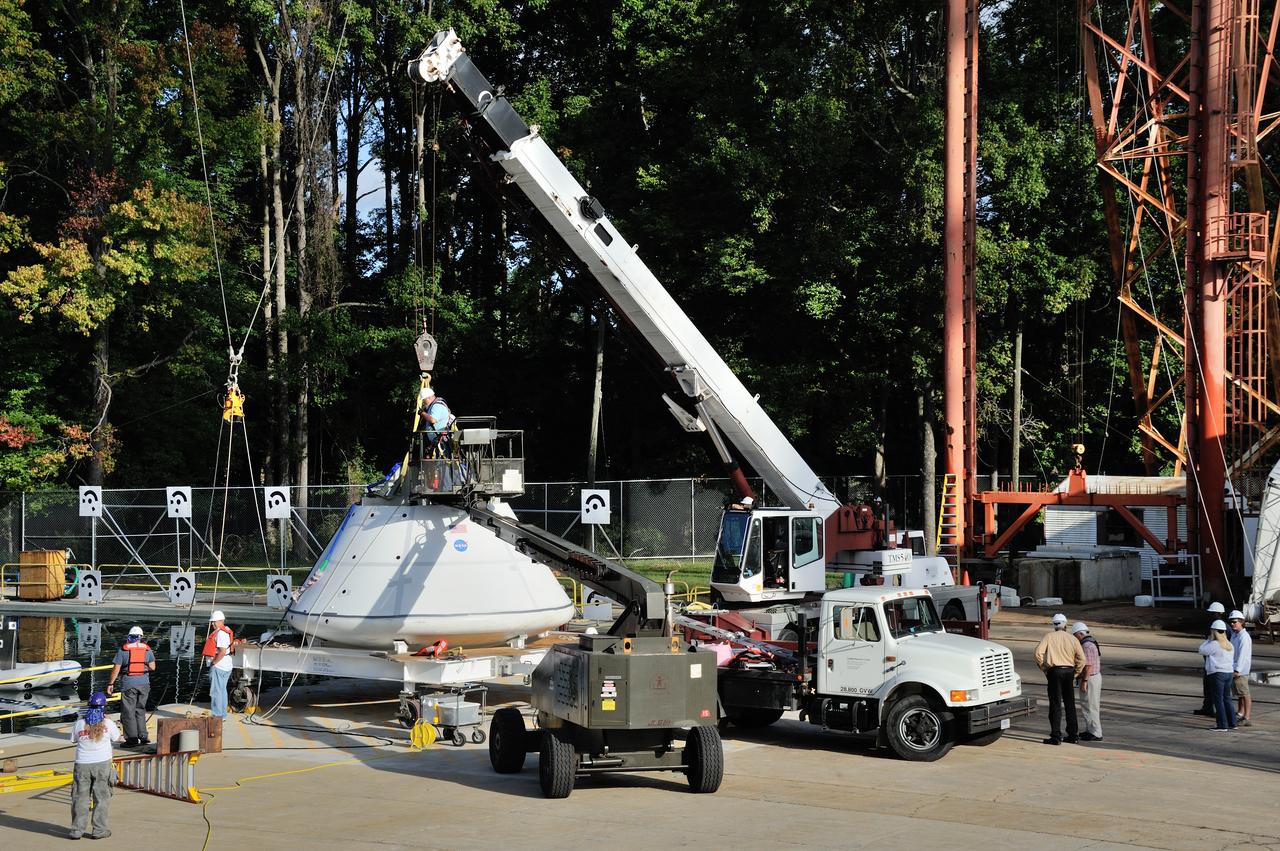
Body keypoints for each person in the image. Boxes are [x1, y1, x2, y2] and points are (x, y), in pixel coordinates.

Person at [69, 691, 121, 840]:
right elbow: (118, 738)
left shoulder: (79, 723)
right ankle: (99, 830)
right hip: (102, 765)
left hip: (82, 765)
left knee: (80, 798)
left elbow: (73, 740)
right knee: (102, 798)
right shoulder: (108, 723)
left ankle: (76, 831)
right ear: (103, 708)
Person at [1034, 613, 1087, 745]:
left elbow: (1037, 654)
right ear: (1065, 624)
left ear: (1054, 625)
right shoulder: (1072, 639)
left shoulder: (1049, 637)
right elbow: (1082, 659)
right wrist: (1075, 672)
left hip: (1054, 671)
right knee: (1070, 704)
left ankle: (1056, 736)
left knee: (1055, 704)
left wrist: (1045, 668)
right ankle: (1073, 735)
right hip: (1069, 671)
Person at [106, 625, 155, 748]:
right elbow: (153, 667)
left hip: (129, 684)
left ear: (129, 636)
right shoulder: (147, 650)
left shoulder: (123, 650)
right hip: (144, 684)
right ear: (141, 637)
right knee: (140, 710)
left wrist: (110, 684)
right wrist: (143, 668)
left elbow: (116, 669)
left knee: (128, 712)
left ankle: (132, 740)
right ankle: (143, 737)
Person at [1198, 619, 1236, 731]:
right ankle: (1232, 722)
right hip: (1228, 673)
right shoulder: (1229, 645)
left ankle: (1222, 724)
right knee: (1227, 698)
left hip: (1217, 673)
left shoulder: (1214, 644)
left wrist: (1208, 639)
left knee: (1218, 700)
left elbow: (1201, 650)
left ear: (1213, 631)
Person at [1195, 602, 1227, 716]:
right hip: (1209, 662)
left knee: (1216, 690)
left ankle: (1217, 711)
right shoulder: (1212, 624)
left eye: (1212, 613)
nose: (1210, 615)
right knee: (1207, 687)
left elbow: (1205, 646)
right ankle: (1207, 707)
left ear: (1218, 613)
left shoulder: (1222, 627)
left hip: (1217, 664)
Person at [1073, 622, 1103, 741]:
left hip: (1090, 678)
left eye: (1075, 635)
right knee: (1088, 704)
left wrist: (1084, 681)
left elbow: (1088, 666)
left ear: (1080, 633)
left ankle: (1096, 732)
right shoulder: (1091, 642)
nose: (1075, 638)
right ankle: (1090, 730)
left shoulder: (1087, 646)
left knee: (1091, 705)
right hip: (1091, 677)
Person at [203, 611, 235, 718]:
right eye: (212, 622)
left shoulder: (220, 633)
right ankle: (223, 715)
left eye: (214, 622)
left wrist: (214, 662)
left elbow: (222, 651)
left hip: (219, 666)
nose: (212, 624)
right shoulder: (225, 631)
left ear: (221, 621)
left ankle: (217, 715)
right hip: (226, 666)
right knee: (222, 690)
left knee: (216, 692)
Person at [1228, 610, 1253, 727]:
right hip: (1234, 667)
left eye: (1234, 622)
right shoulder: (1234, 635)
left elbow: (1243, 655)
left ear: (1241, 622)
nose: (1232, 624)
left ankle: (1247, 717)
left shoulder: (1244, 637)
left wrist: (1237, 670)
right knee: (1239, 693)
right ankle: (1240, 712)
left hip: (1240, 670)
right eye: (1231, 622)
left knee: (1244, 693)